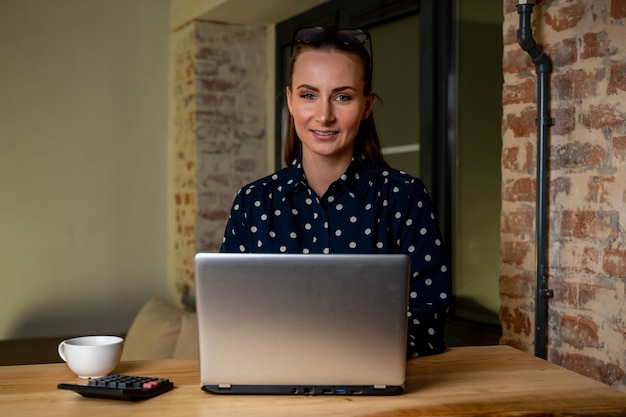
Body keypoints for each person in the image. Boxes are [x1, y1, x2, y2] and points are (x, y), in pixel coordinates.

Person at [220, 26, 452, 357]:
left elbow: (427, 323)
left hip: (377, 395)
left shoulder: (404, 196)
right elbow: (228, 317)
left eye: (342, 96)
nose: (325, 115)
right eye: (308, 95)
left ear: (367, 105)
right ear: (289, 100)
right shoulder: (252, 203)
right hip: (274, 394)